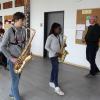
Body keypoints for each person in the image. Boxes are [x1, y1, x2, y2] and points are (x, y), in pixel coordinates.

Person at [1, 12, 26, 100]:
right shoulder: (9, 31)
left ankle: (12, 93)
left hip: (21, 59)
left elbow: (23, 43)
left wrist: (26, 51)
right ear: (16, 20)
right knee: (15, 80)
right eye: (22, 20)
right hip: (12, 60)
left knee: (17, 78)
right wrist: (11, 58)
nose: (24, 22)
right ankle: (16, 97)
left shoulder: (23, 30)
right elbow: (2, 47)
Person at [45, 23, 65, 96]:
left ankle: (51, 82)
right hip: (53, 56)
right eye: (59, 28)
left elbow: (61, 44)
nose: (60, 30)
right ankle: (56, 86)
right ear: (54, 29)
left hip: (59, 55)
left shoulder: (60, 36)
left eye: (60, 28)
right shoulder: (50, 37)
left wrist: (64, 45)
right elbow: (46, 47)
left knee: (54, 69)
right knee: (56, 69)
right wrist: (54, 52)